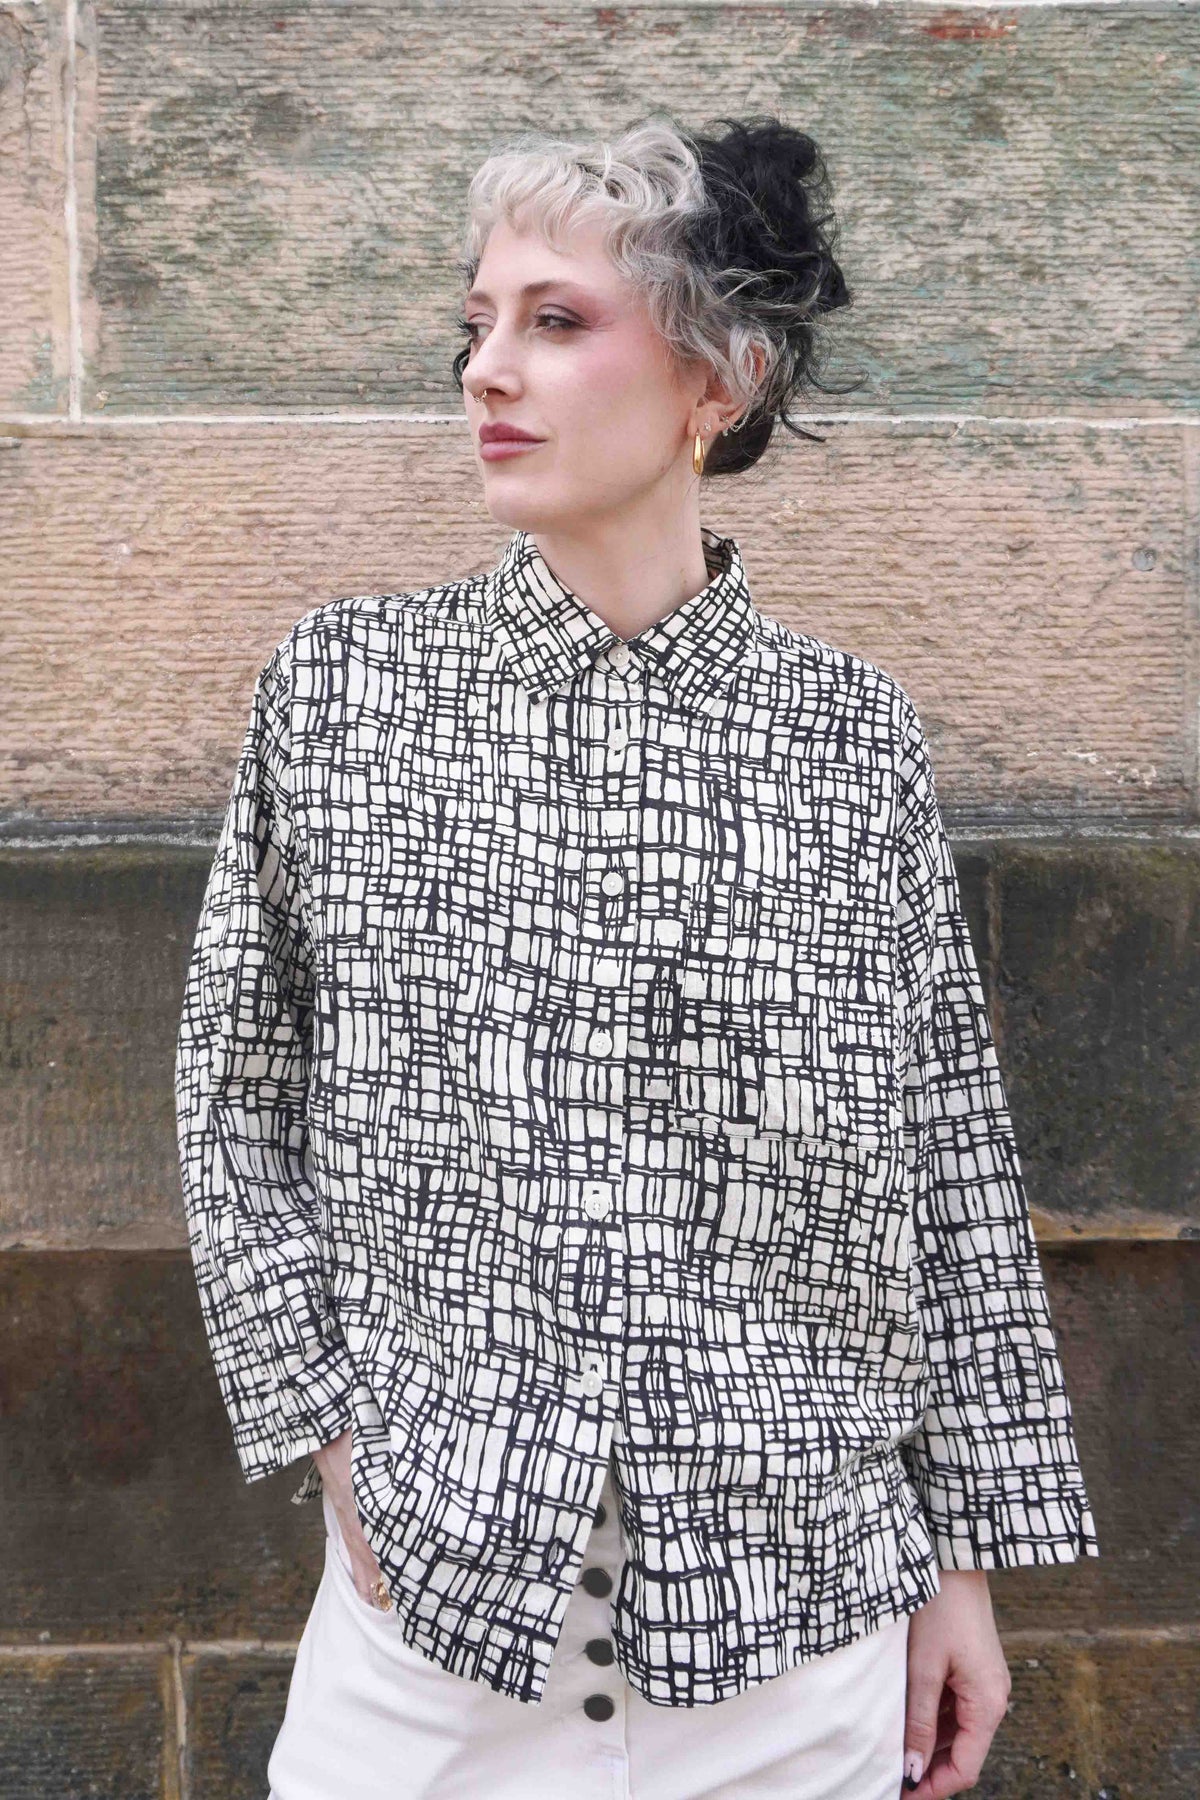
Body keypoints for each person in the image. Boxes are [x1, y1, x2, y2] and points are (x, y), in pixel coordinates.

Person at [174, 113, 1099, 1800]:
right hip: (434, 1630)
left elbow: (944, 1161)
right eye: (477, 323)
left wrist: (959, 1565)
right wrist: (335, 1439)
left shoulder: (848, 739)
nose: (487, 369)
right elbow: (237, 1101)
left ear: (716, 382)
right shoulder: (346, 694)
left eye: (557, 320)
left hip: (800, 1637)